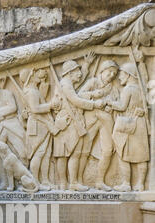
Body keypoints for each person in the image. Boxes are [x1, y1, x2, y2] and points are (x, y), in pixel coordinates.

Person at [54, 59, 105, 191]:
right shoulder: (65, 84)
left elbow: (78, 91)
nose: (80, 74)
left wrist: (86, 65)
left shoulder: (67, 83)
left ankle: (68, 183)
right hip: (68, 121)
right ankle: (71, 183)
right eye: (77, 71)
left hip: (71, 119)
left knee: (70, 153)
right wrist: (94, 104)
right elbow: (76, 100)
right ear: (70, 72)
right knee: (70, 153)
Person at [106, 62, 149, 191]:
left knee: (122, 153)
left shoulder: (128, 89)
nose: (119, 78)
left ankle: (126, 184)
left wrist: (109, 102)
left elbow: (122, 106)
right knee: (142, 157)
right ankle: (140, 184)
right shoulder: (141, 89)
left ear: (129, 75)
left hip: (129, 124)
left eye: (122, 74)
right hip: (140, 124)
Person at [78, 60, 120, 191]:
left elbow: (118, 103)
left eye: (114, 73)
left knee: (108, 150)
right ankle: (77, 180)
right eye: (109, 71)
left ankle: (99, 181)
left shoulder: (113, 88)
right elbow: (79, 95)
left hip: (106, 120)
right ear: (102, 70)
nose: (112, 75)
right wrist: (93, 96)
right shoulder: (93, 82)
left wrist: (110, 106)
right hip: (91, 119)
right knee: (83, 149)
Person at [20, 67, 62, 190]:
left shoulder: (33, 90)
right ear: (30, 76)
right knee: (39, 153)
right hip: (37, 126)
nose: (38, 74)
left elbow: (40, 99)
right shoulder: (31, 91)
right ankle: (36, 181)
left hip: (43, 125)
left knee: (46, 154)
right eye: (34, 73)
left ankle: (45, 180)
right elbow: (35, 108)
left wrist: (44, 82)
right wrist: (51, 105)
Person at [0, 81, 26, 189]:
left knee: (22, 150)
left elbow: (13, 108)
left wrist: (0, 112)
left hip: (12, 123)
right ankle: (5, 182)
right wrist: (0, 115)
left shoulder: (7, 93)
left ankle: (23, 179)